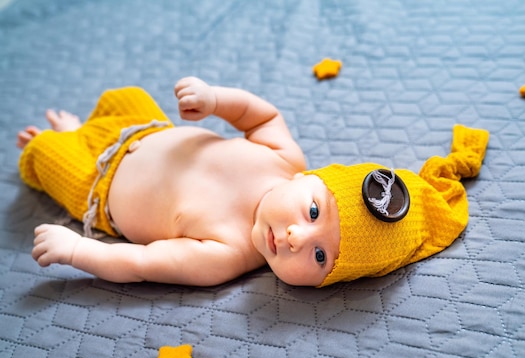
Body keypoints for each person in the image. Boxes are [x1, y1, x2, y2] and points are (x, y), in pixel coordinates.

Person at [17, 76, 489, 288]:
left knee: (46, 157)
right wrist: (214, 99)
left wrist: (78, 250)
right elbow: (260, 115)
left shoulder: (225, 256)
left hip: (98, 190)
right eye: (313, 212)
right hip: (147, 129)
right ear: (310, 178)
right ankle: (80, 127)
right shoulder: (284, 158)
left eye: (320, 256)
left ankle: (66, 138)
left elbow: (141, 261)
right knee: (127, 95)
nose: (295, 237)